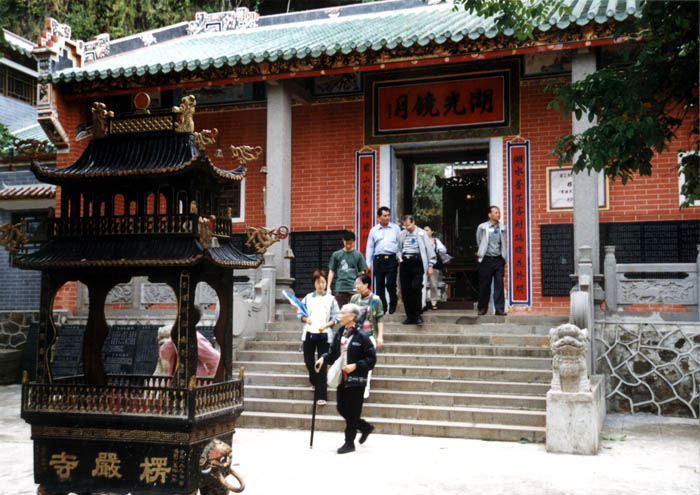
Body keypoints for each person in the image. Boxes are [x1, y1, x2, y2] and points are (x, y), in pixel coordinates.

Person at [315, 303, 376, 454]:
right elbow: (334, 353)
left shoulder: (363, 336)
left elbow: (371, 359)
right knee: (342, 408)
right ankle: (364, 426)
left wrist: (355, 365)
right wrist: (323, 358)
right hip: (342, 378)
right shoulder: (341, 332)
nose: (339, 316)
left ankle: (349, 443)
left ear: (352, 316)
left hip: (356, 380)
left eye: (342, 313)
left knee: (353, 412)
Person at [297, 269, 340, 406]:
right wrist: (305, 319)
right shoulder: (308, 298)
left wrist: (327, 325)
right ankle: (314, 380)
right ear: (314, 283)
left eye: (323, 282)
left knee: (322, 365)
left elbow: (337, 317)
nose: (320, 285)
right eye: (318, 282)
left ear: (326, 283)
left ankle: (321, 395)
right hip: (309, 334)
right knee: (309, 361)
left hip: (324, 335)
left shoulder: (331, 299)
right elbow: (300, 314)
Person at [159, 305, 220, 377]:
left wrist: (208, 373)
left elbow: (215, 358)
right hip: (181, 381)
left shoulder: (196, 338)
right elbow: (163, 354)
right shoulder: (177, 337)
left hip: (194, 383)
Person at [397, 215, 436, 325]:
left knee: (416, 288)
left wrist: (430, 265)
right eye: (405, 226)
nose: (407, 228)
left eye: (409, 225)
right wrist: (399, 257)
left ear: (413, 222)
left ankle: (418, 314)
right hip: (405, 263)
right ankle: (409, 316)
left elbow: (429, 250)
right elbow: (398, 249)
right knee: (406, 291)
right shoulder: (401, 234)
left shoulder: (422, 233)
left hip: (417, 262)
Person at [350, 273, 384, 399]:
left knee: (367, 363)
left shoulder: (375, 299)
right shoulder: (354, 299)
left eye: (359, 283)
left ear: (366, 284)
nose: (356, 286)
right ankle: (355, 385)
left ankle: (366, 386)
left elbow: (379, 317)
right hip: (356, 335)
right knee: (354, 362)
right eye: (356, 283)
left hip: (369, 335)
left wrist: (380, 336)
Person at [365, 206, 401, 314]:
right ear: (379, 217)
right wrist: (368, 263)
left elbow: (399, 244)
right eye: (385, 216)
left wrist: (400, 257)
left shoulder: (395, 228)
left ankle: (393, 302)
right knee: (379, 285)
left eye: (388, 215)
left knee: (390, 283)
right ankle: (383, 306)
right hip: (378, 260)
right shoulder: (374, 230)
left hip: (391, 259)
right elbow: (370, 247)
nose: (387, 218)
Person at [476, 205, 507, 316]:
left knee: (499, 284)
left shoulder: (502, 228)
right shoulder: (482, 227)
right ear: (490, 215)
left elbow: (502, 242)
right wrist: (482, 252)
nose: (498, 214)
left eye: (499, 212)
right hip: (486, 260)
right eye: (495, 212)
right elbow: (479, 240)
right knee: (485, 285)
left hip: (498, 260)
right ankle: (482, 308)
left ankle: (499, 309)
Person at [328, 230, 368, 308]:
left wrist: (362, 287)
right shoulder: (336, 255)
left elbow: (362, 272)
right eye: (347, 243)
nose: (348, 245)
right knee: (340, 312)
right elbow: (331, 271)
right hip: (340, 287)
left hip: (354, 288)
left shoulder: (358, 255)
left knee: (355, 311)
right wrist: (328, 287)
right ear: (343, 241)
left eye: (350, 243)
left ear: (354, 241)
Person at [423, 225, 451, 310]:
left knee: (433, 284)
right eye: (424, 230)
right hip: (423, 265)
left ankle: (433, 302)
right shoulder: (420, 240)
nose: (425, 232)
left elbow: (443, 250)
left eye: (427, 230)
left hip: (434, 265)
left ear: (432, 232)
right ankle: (422, 303)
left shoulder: (436, 241)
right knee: (422, 284)